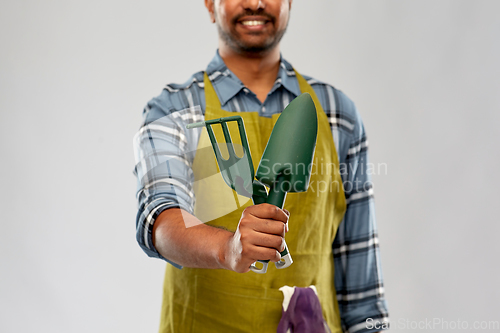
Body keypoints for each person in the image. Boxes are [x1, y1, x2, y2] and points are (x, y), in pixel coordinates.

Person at [133, 0, 389, 332]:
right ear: (211, 5)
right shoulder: (175, 109)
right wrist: (228, 248)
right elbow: (161, 221)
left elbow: (360, 279)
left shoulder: (336, 114)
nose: (255, 3)